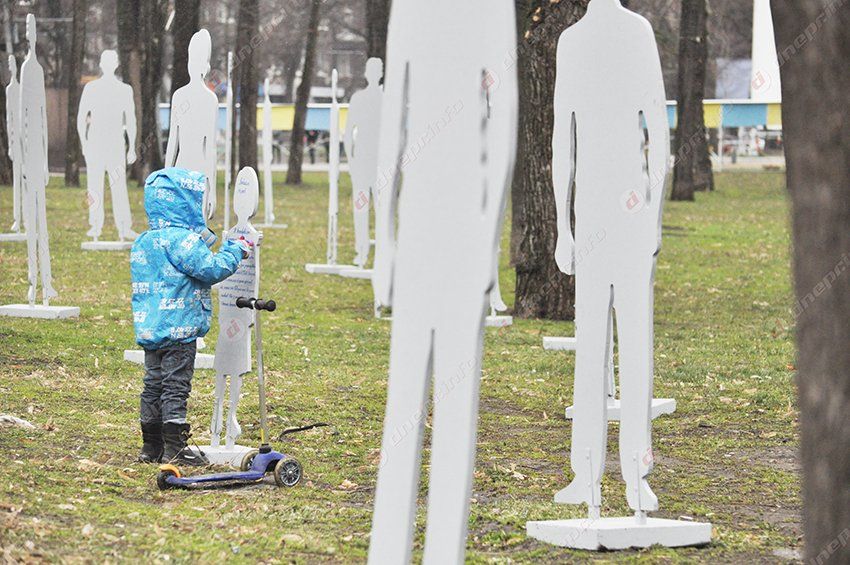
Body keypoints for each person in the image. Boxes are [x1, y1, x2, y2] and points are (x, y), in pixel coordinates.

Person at [131, 168, 250, 466]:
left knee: (153, 384)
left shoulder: (144, 240)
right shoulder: (182, 240)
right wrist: (236, 250)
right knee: (176, 385)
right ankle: (175, 448)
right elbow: (210, 269)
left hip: (151, 327)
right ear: (186, 203)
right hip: (180, 329)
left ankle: (151, 447)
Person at [77, 50, 138, 241]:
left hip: (114, 144)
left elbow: (131, 120)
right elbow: (81, 117)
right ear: (102, 65)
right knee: (94, 186)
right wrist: (84, 143)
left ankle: (123, 226)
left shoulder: (124, 89)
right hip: (96, 143)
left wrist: (132, 146)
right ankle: (95, 225)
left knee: (118, 186)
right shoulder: (91, 88)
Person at [20, 14, 57, 306]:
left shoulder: (39, 69)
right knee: (33, 224)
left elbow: (43, 117)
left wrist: (44, 162)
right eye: (28, 30)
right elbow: (23, 119)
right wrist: (22, 160)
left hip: (37, 157)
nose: (32, 36)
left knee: (42, 222)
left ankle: (47, 282)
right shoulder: (25, 70)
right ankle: (33, 280)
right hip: (27, 155)